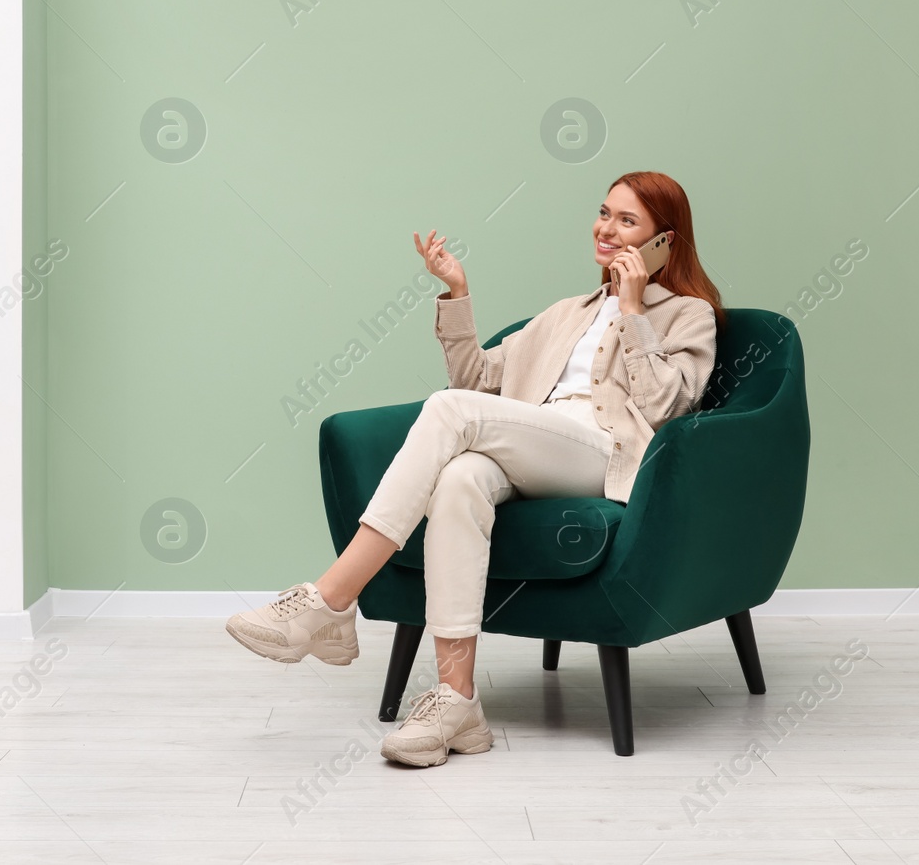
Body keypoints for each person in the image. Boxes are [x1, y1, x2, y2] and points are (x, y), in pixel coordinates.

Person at [226, 170, 724, 767]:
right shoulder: (566, 313)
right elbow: (476, 382)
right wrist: (457, 294)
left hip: (605, 454)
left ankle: (332, 599)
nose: (606, 229)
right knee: (461, 479)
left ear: (664, 240)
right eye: (604, 212)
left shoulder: (689, 316)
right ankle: (457, 703)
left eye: (627, 221)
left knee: (450, 414)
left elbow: (664, 406)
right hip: (536, 444)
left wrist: (636, 309)